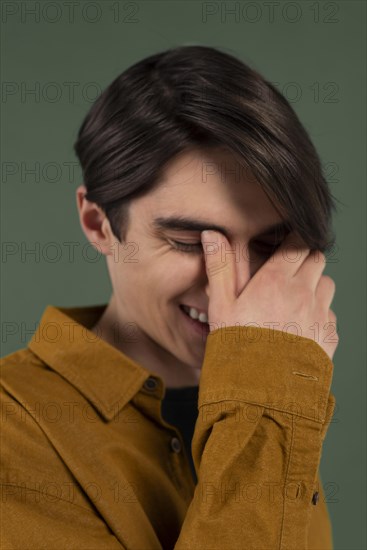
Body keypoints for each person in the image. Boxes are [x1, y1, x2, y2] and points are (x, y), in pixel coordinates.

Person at [1, 45, 339, 549]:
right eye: (188, 243)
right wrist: (268, 391)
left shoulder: (274, 390)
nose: (236, 283)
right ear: (98, 224)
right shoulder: (13, 430)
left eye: (270, 244)